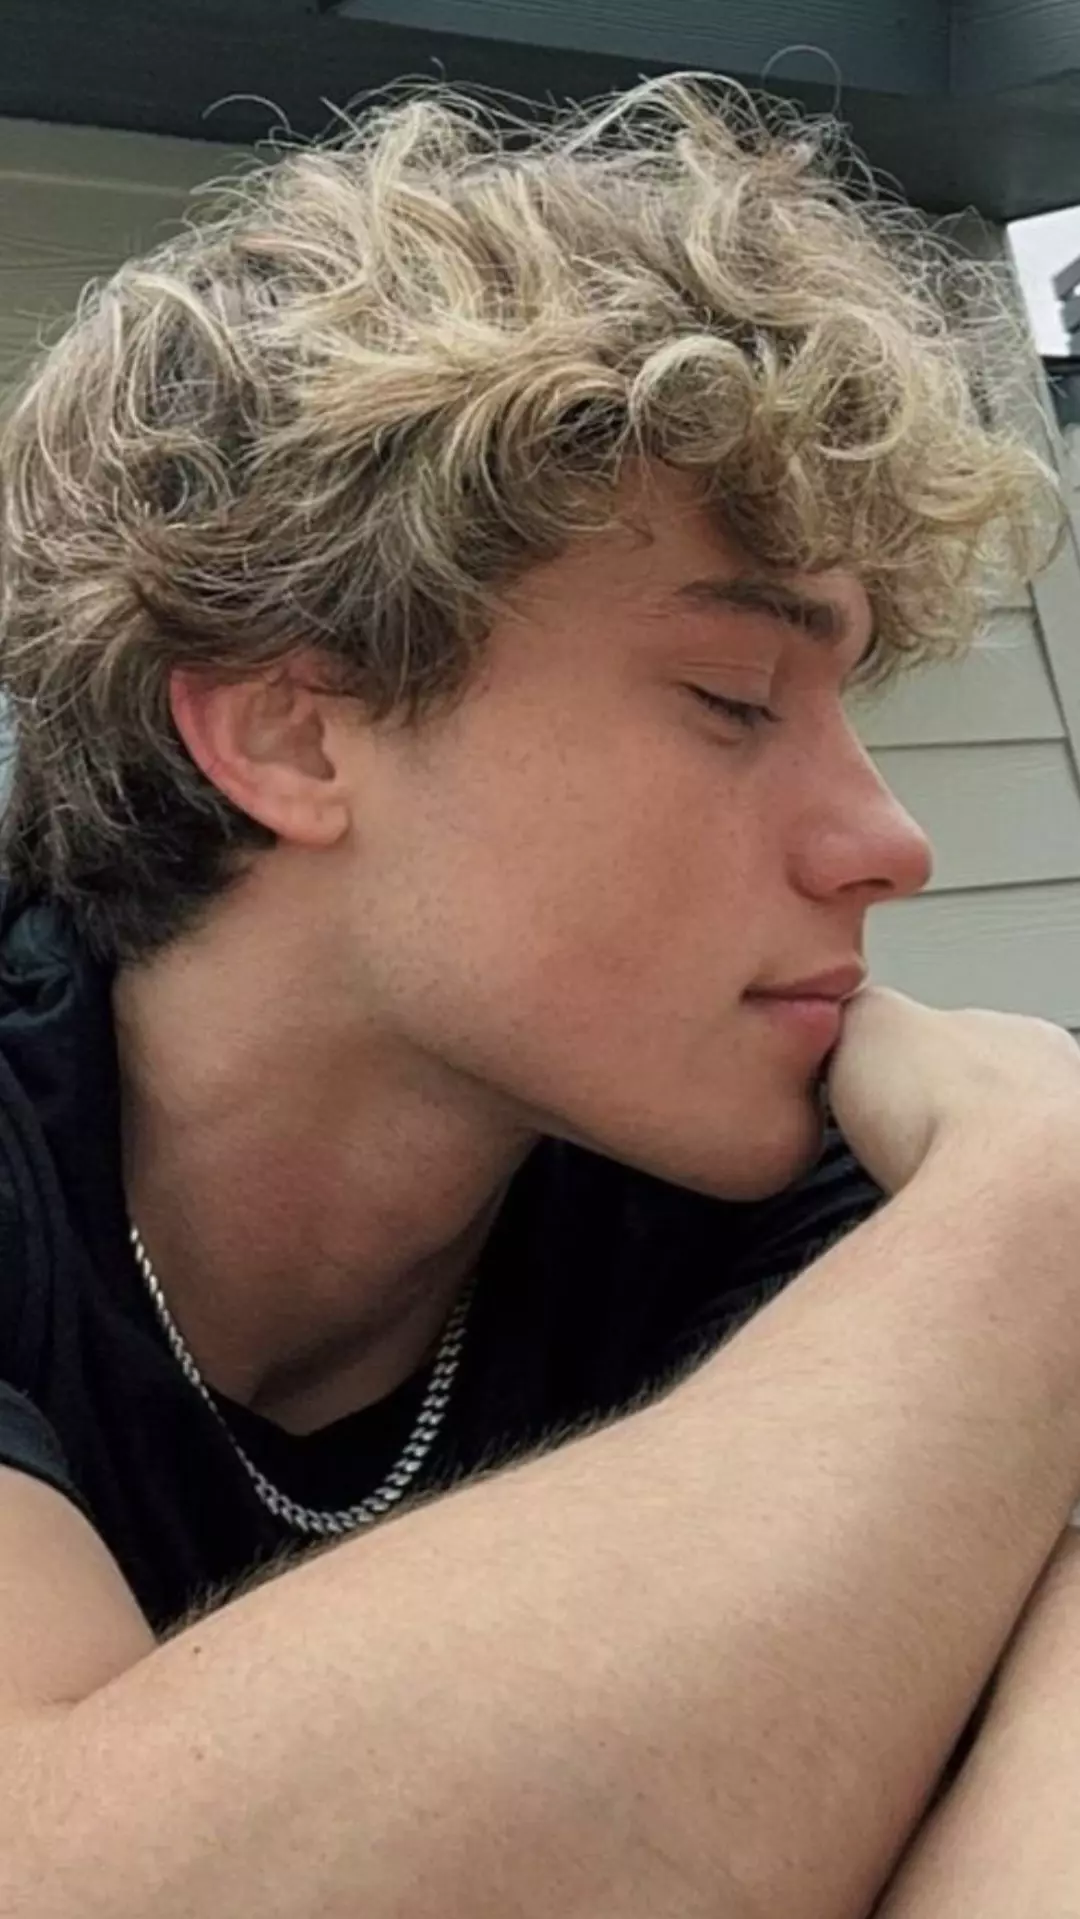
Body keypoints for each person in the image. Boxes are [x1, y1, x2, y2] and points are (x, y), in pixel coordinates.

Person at [0, 67, 1076, 1919]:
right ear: (291, 733)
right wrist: (1039, 1221)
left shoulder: (770, 1194)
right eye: (733, 699)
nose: (889, 842)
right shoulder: (1003, 1229)